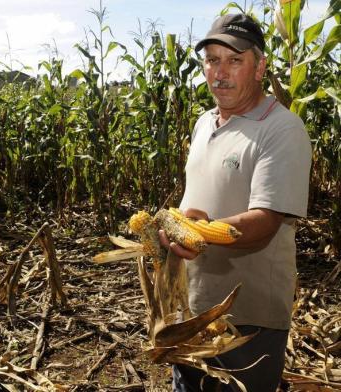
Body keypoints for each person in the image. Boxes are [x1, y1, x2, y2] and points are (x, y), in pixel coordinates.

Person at [159, 13, 312, 392]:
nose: (219, 72)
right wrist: (173, 227)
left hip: (246, 320)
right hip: (191, 309)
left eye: (234, 60)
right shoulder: (204, 123)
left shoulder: (281, 129)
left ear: (260, 67)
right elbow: (197, 200)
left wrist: (197, 232)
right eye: (212, 60)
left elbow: (265, 221)